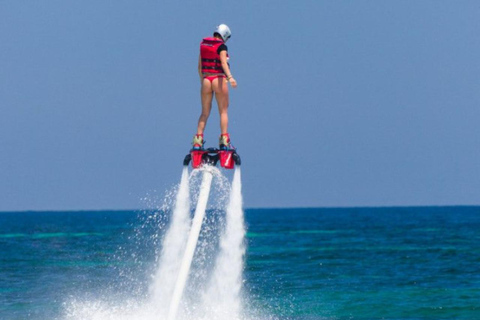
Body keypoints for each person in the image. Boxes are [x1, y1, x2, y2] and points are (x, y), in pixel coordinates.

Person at [192, 24, 237, 150]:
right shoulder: (221, 46)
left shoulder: (204, 45)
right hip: (219, 79)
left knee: (204, 112)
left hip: (206, 80)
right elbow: (223, 63)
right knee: (223, 111)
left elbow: (199, 67)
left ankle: (197, 141)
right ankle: (224, 140)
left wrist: (203, 81)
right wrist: (230, 77)